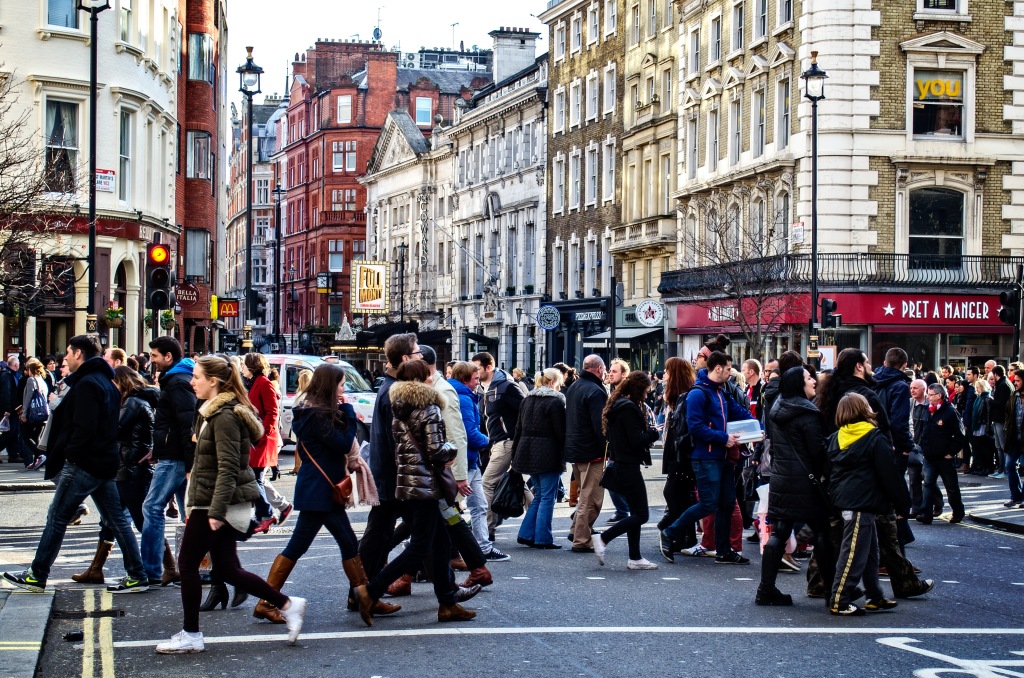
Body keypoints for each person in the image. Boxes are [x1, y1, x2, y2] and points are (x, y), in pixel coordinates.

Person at [156, 355, 306, 653]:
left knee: (186, 565)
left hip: (214, 500)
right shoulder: (214, 412)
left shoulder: (224, 416)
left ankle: (191, 634)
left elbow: (228, 466)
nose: (192, 381)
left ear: (213, 381)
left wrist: (215, 510)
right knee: (227, 569)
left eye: (197, 376)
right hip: (214, 498)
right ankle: (287, 604)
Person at [253, 364, 401, 624]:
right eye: (342, 385)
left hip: (322, 490)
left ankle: (366, 596)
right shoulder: (316, 415)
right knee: (301, 545)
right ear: (330, 387)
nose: (344, 390)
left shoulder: (316, 412)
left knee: (345, 544)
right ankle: (266, 601)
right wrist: (348, 411)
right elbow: (343, 443)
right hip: (319, 491)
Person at [3, 336, 150, 595]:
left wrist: (72, 454)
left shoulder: (87, 384)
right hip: (105, 461)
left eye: (68, 354)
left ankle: (37, 574)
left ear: (79, 354)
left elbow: (83, 427)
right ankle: (137, 574)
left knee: (57, 516)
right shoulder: (106, 382)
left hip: (85, 463)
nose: (65, 359)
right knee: (116, 520)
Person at [353, 359, 475, 626]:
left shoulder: (400, 408)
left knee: (440, 542)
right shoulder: (428, 407)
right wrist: (451, 450)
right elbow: (435, 450)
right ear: (423, 378)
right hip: (425, 486)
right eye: (429, 374)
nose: (434, 376)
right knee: (421, 545)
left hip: (409, 483)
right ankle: (371, 590)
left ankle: (447, 602)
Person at [659, 351, 756, 565]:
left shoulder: (721, 392)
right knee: (709, 503)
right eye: (729, 368)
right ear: (718, 368)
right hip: (705, 457)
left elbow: (739, 412)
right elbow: (695, 427)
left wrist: (759, 428)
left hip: (722, 457)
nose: (731, 373)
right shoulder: (698, 394)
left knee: (727, 504)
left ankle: (723, 551)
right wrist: (724, 438)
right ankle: (670, 532)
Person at [72, 366, 160, 585]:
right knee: (111, 520)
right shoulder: (133, 401)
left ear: (121, 382)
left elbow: (113, 429)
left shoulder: (132, 403)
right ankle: (95, 569)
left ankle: (165, 568)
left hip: (132, 470)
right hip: (125, 468)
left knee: (141, 521)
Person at [827, 393, 910, 616]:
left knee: (870, 551)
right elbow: (890, 475)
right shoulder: (875, 438)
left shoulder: (837, 438)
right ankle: (839, 600)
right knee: (853, 553)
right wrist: (903, 504)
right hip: (862, 502)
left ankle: (875, 595)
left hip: (846, 500)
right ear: (865, 410)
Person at [757, 366, 834, 606]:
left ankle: (765, 589)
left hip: (782, 478)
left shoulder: (779, 407)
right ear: (798, 385)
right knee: (822, 531)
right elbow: (817, 451)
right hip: (806, 482)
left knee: (779, 532)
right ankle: (833, 591)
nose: (814, 381)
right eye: (809, 378)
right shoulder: (807, 413)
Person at [360, 333, 421, 580]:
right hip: (393, 478)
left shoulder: (389, 387)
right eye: (417, 353)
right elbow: (398, 440)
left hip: (390, 477)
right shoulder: (393, 391)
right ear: (405, 358)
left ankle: (364, 589)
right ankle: (364, 590)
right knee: (380, 536)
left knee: (383, 535)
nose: (420, 357)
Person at [140, 337, 196, 587]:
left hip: (176, 457)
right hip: (173, 453)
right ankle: (194, 567)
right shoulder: (178, 379)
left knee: (152, 508)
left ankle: (150, 570)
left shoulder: (177, 383)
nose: (151, 360)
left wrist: (189, 465)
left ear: (168, 357)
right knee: (190, 513)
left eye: (154, 356)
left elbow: (187, 425)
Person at [594, 371, 660, 569]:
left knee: (634, 513)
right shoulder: (629, 409)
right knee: (642, 515)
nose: (647, 395)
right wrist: (653, 434)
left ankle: (635, 557)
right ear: (639, 389)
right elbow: (635, 440)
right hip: (628, 465)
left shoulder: (619, 404)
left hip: (621, 463)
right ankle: (604, 538)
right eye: (646, 391)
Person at [448, 361, 498, 587]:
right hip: (465, 461)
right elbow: (468, 432)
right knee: (455, 511)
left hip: (468, 461)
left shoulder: (460, 395)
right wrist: (486, 441)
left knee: (477, 505)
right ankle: (470, 551)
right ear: (466, 379)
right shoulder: (465, 399)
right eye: (476, 379)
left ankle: (482, 547)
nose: (479, 382)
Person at [472, 351, 524, 557]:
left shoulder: (506, 386)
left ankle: (487, 528)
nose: (474, 371)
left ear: (488, 367)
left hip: (506, 442)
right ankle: (536, 525)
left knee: (487, 482)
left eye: (477, 368)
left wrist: (513, 435)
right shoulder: (486, 388)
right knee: (517, 483)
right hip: (495, 442)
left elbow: (524, 410)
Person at [511, 368, 566, 549]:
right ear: (551, 383)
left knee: (540, 495)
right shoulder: (555, 403)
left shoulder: (527, 400)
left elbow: (518, 430)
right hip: (548, 453)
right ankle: (543, 538)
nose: (560, 387)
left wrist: (514, 455)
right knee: (548, 496)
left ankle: (526, 533)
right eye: (559, 383)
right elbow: (561, 433)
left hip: (526, 452)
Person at [243, 353, 292, 533]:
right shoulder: (255, 383)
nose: (242, 368)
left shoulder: (263, 383)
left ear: (251, 366)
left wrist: (261, 433)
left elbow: (272, 413)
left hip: (262, 439)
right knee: (256, 478)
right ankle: (266, 514)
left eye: (244, 365)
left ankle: (267, 514)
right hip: (257, 438)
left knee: (255, 478)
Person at [565, 355, 608, 553]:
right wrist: (608, 447)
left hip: (576, 447)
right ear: (599, 369)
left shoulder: (575, 386)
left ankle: (576, 531)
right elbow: (600, 426)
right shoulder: (595, 391)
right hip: (592, 451)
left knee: (584, 495)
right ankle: (581, 539)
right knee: (592, 498)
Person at [658, 356, 697, 552]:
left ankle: (678, 533)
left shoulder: (686, 396)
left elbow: (685, 428)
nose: (664, 374)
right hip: (676, 452)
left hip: (682, 454)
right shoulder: (676, 396)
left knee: (673, 493)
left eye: (667, 370)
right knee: (680, 495)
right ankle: (683, 535)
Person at [916, 384, 966, 524]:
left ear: (939, 396)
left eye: (931, 394)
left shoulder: (950, 412)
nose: (928, 397)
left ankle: (958, 512)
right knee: (928, 485)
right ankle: (926, 514)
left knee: (951, 487)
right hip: (930, 457)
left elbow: (960, 435)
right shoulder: (927, 410)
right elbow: (924, 432)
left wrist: (951, 453)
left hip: (945, 458)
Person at [1000, 370, 1024, 508]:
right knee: (1009, 465)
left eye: (1018, 380)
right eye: (1014, 381)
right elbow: (1008, 415)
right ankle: (1016, 496)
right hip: (1013, 438)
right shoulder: (1013, 396)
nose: (1015, 383)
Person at [20, 358, 49, 470]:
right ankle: (38, 460)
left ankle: (40, 455)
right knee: (36, 437)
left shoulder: (31, 380)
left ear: (31, 370)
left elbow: (28, 398)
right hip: (43, 414)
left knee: (26, 436)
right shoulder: (42, 380)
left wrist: (24, 414)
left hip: (33, 414)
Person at [0, 353, 29, 466]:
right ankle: (13, 453)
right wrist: (7, 409)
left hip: (13, 409)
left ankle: (13, 454)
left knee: (13, 431)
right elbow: (6, 394)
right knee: (9, 432)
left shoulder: (9, 375)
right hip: (9, 409)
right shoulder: (7, 376)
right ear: (16, 365)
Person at [969, 378, 997, 479]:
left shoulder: (987, 398)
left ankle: (987, 467)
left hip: (984, 425)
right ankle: (979, 466)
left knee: (986, 448)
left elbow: (989, 414)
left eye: (978, 387)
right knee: (978, 447)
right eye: (976, 387)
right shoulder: (978, 398)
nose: (977, 389)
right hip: (978, 425)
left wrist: (988, 427)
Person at [991, 365, 1012, 480]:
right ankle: (1000, 469)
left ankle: (1004, 469)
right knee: (999, 446)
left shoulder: (1003, 385)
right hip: (998, 419)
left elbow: (1002, 403)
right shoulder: (1003, 384)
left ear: (995, 374)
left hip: (1001, 419)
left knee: (1003, 446)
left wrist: (991, 401)